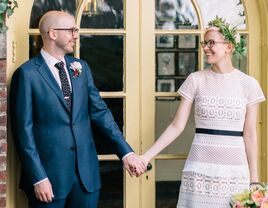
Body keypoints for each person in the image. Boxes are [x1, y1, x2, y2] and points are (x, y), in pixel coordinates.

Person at [10, 10, 146, 208]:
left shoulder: (81, 68)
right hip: (49, 178)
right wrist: (38, 177)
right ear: (52, 33)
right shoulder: (27, 74)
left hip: (86, 178)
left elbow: (100, 113)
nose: (76, 35)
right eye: (71, 30)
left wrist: (126, 153)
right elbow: (24, 132)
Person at [140, 17, 265, 207]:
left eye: (211, 42)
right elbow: (176, 126)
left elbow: (249, 134)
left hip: (235, 172)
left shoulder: (249, 84)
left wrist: (254, 180)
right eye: (204, 43)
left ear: (229, 47)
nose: (205, 47)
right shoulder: (195, 80)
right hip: (199, 170)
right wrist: (146, 156)